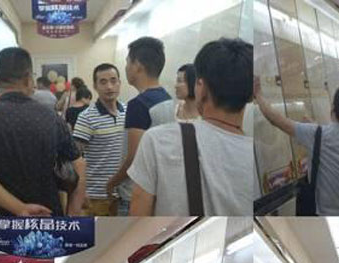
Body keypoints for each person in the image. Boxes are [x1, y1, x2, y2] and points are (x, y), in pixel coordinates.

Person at [130, 38, 254, 216]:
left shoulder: (158, 141)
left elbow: (138, 214)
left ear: (201, 87)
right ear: (250, 95)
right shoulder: (256, 155)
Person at [0, 47, 85, 216]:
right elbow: (79, 164)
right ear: (29, 78)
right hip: (48, 213)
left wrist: (20, 208)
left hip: (2, 217)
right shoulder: (50, 116)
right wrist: (72, 213)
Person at [255, 80, 339, 216]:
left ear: (333, 108)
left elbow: (276, 120)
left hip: (324, 217)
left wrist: (258, 95)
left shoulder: (317, 134)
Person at [106, 37, 174, 215]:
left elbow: (133, 159)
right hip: (160, 191)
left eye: (127, 62)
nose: (126, 67)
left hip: (134, 194)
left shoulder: (139, 105)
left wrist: (112, 183)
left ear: (137, 66)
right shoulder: (168, 99)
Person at [73, 64, 126, 216]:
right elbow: (75, 157)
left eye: (113, 80)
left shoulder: (129, 111)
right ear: (95, 86)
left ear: (119, 83)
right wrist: (80, 191)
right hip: (96, 196)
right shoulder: (86, 117)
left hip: (123, 194)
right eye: (103, 82)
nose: (109, 86)